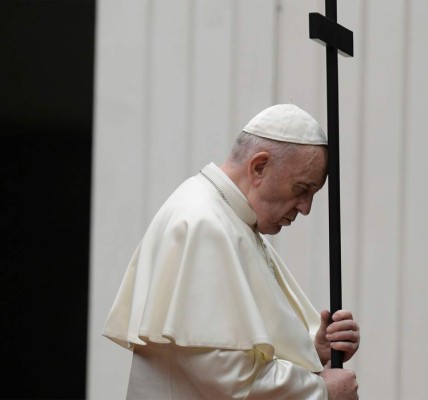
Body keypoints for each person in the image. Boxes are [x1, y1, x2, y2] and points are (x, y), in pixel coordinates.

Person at [102, 104, 360, 399]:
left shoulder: (232, 221)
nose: (306, 208)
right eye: (301, 189)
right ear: (259, 167)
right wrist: (321, 390)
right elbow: (223, 374)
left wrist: (313, 350)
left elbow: (241, 347)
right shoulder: (204, 224)